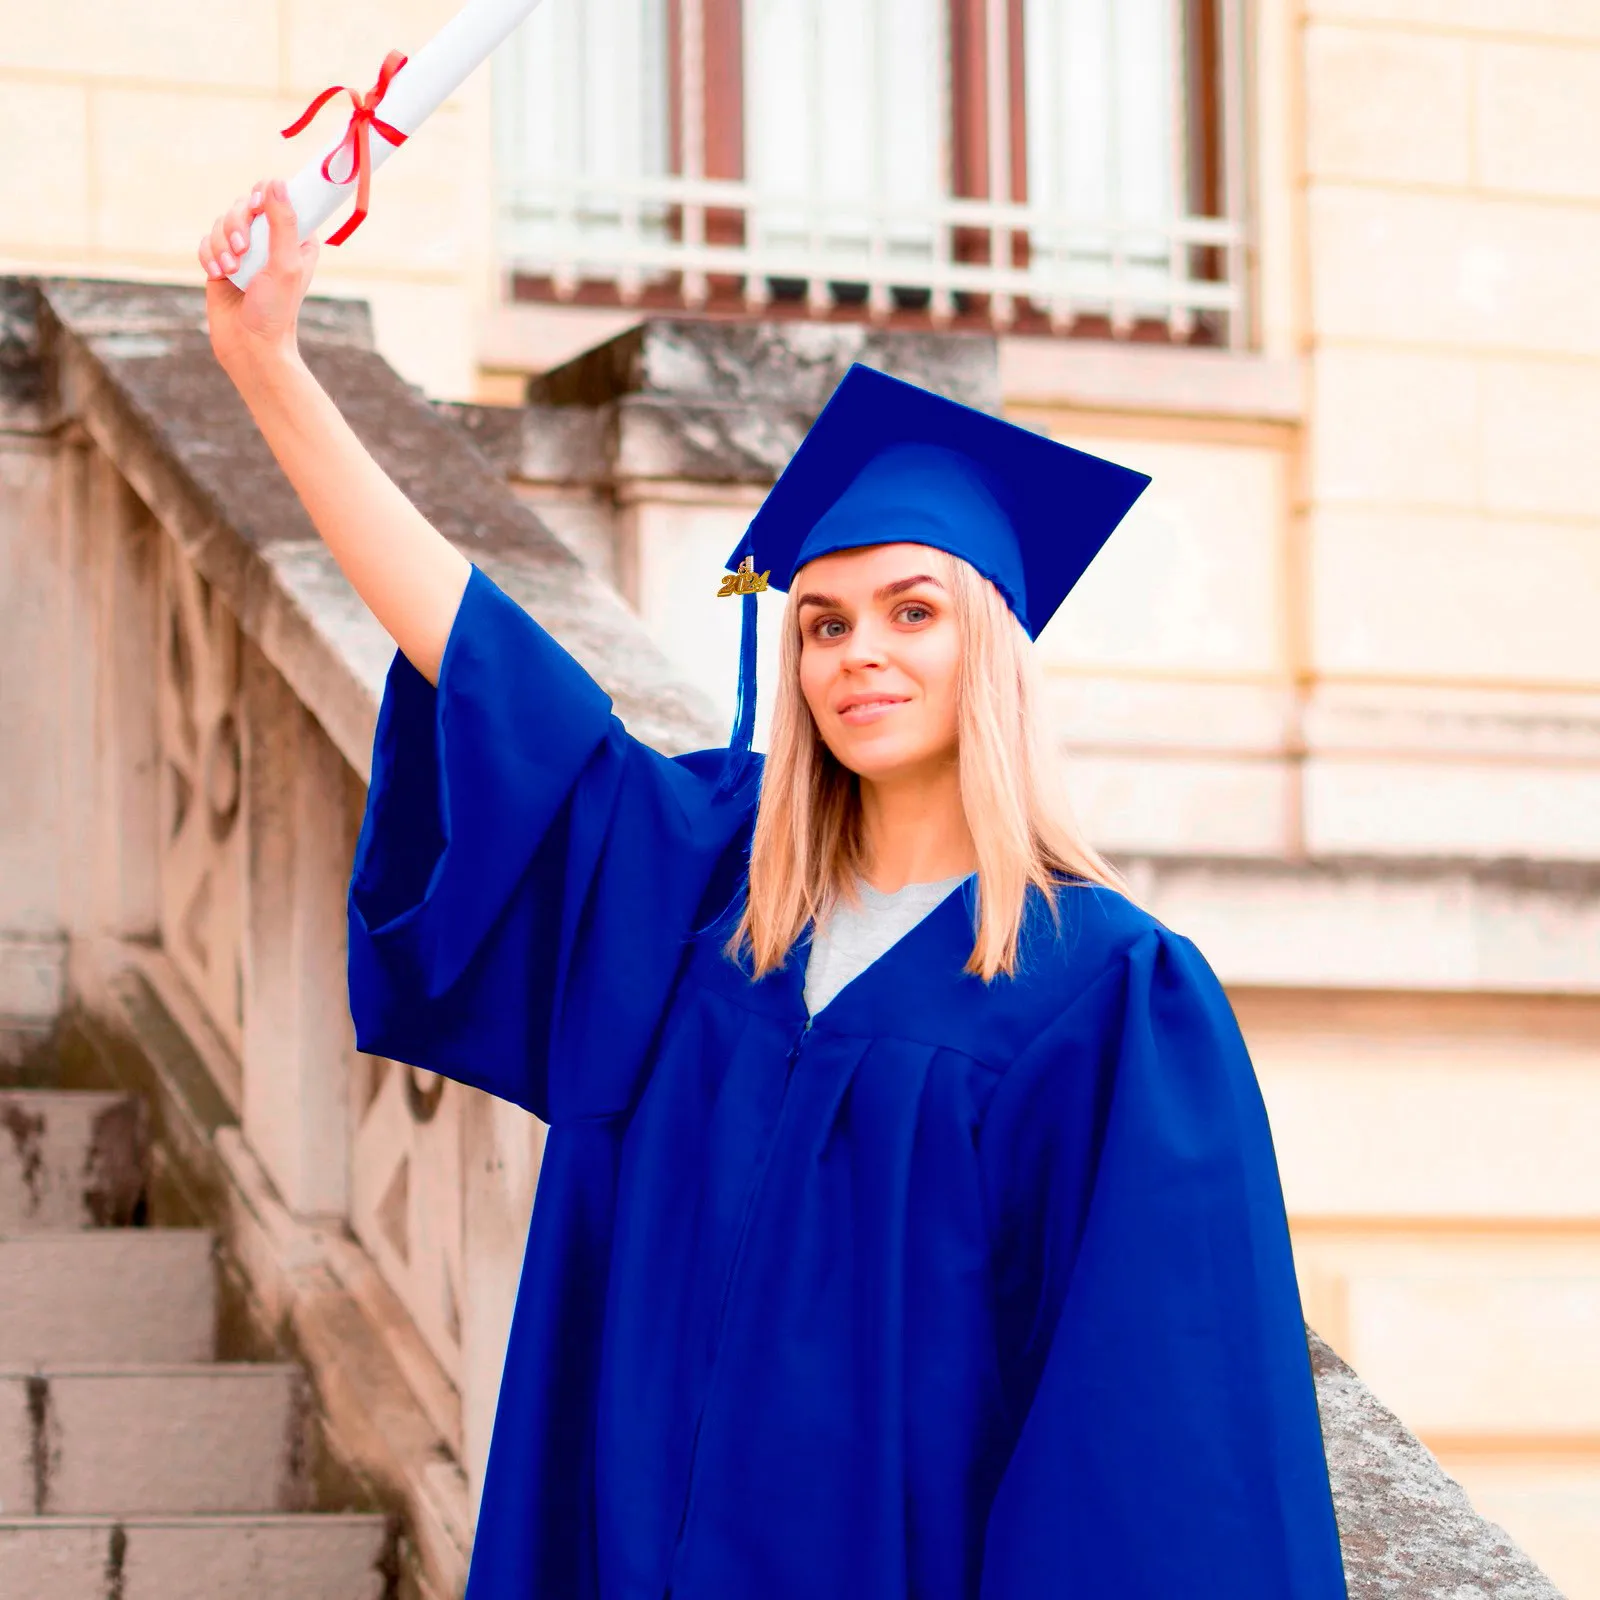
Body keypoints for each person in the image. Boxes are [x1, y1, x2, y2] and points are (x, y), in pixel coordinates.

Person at [200, 183, 1349, 1600]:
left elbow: (1154, 1447)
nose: (858, 651)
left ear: (990, 643)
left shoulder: (1110, 998)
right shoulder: (704, 889)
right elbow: (485, 663)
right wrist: (270, 365)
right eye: (822, 622)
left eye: (912, 611)